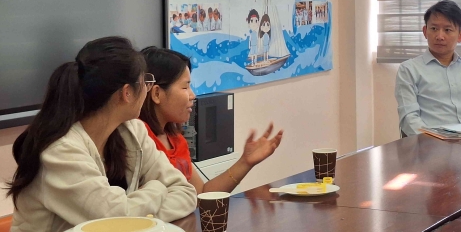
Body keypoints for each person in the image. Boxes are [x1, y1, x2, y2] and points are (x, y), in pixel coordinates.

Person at [6, 37, 197, 232]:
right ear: (127, 93)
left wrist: (138, 214)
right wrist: (157, 188)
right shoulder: (61, 150)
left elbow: (186, 192)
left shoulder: (133, 130)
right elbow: (115, 221)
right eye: (145, 82)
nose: (147, 90)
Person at [139, 47, 283, 193]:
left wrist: (245, 162)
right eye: (185, 87)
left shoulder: (176, 139)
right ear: (157, 94)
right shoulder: (139, 141)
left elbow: (201, 194)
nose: (192, 95)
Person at [395, 0, 461, 136]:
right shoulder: (409, 70)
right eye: (434, 29)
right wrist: (433, 142)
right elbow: (409, 119)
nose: (440, 36)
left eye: (447, 30)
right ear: (425, 31)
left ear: (460, 35)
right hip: (432, 144)